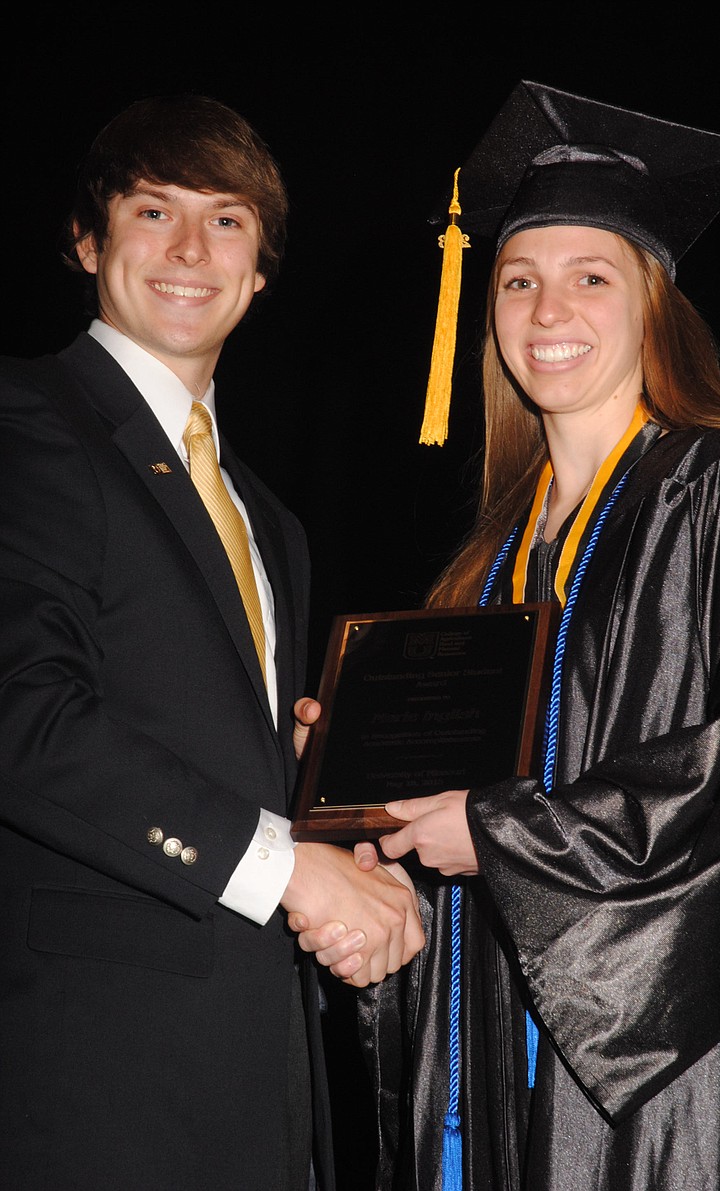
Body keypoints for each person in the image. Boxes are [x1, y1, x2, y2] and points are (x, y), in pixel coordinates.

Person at [293, 81, 720, 1189]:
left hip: (651, 1050)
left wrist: (507, 837)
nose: (545, 312)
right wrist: (352, 774)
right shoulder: (489, 562)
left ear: (652, 300)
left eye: (588, 278)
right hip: (485, 1030)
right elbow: (456, 809)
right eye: (517, 282)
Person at [0, 93, 424, 1191]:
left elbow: (220, 757)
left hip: (257, 1067)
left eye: (227, 220)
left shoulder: (262, 518)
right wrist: (291, 870)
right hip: (94, 1077)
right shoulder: (23, 422)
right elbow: (22, 718)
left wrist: (342, 814)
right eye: (154, 211)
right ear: (88, 241)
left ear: (262, 270)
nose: (190, 249)